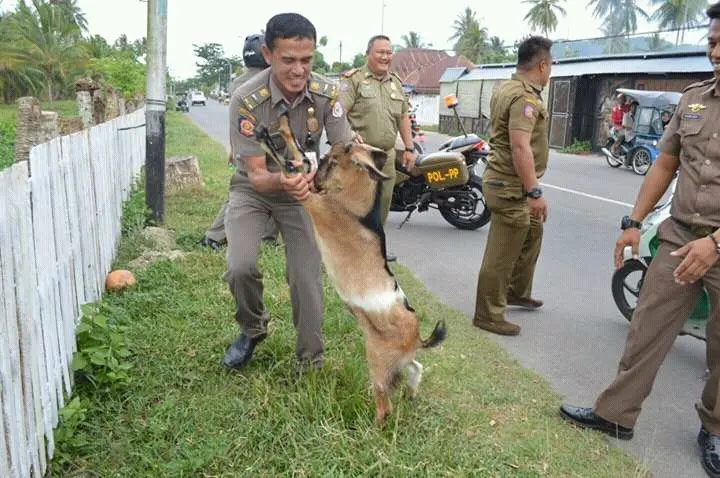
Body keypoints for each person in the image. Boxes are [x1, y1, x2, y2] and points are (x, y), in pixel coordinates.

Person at [560, 3, 720, 476]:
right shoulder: (694, 99)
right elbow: (665, 164)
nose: (714, 49)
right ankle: (616, 415)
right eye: (710, 40)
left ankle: (714, 429)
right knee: (645, 329)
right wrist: (633, 220)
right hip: (678, 236)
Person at [221, 13, 354, 373]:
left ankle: (310, 359)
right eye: (289, 60)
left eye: (307, 60)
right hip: (256, 190)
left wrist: (322, 179)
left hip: (304, 194)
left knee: (305, 277)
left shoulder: (328, 94)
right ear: (268, 54)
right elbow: (258, 176)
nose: (299, 71)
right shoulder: (247, 100)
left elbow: (345, 151)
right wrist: (285, 180)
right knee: (240, 267)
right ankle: (252, 328)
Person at [471, 35, 553, 336]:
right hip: (509, 186)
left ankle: (517, 290)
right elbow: (520, 147)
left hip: (508, 181)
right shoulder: (525, 97)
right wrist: (534, 191)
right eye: (551, 65)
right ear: (542, 65)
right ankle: (487, 314)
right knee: (502, 251)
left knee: (534, 228)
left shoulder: (508, 86)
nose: (550, 72)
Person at [338, 35, 417, 262]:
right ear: (368, 54)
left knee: (382, 205)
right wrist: (352, 136)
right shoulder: (353, 80)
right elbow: (338, 114)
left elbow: (403, 116)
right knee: (358, 205)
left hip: (387, 157)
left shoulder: (396, 82)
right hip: (361, 156)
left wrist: (409, 147)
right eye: (380, 52)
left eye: (388, 52)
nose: (385, 56)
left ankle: (374, 249)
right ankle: (351, 251)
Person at [199, 34, 279, 252]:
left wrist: (234, 148)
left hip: (245, 145)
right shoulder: (270, 78)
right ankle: (216, 235)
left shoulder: (238, 82)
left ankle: (265, 236)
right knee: (251, 191)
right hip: (268, 146)